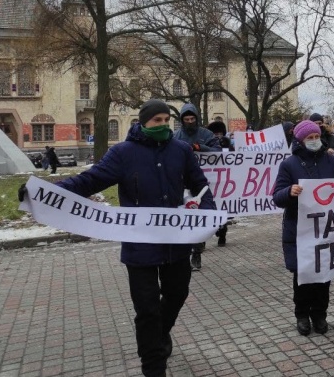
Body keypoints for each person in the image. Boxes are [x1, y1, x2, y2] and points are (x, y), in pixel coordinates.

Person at [43, 99, 216, 377]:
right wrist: (49, 191)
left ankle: (160, 334)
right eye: (156, 120)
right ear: (143, 122)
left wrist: (209, 213)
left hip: (176, 243)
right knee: (147, 309)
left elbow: (200, 186)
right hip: (140, 247)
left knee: (177, 293)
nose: (162, 125)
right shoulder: (123, 153)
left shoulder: (181, 150)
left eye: (165, 120)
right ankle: (153, 366)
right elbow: (90, 180)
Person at [273, 120, 334, 336]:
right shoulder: (289, 164)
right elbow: (277, 196)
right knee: (302, 276)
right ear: (300, 141)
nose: (314, 141)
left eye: (316, 137)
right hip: (300, 228)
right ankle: (302, 315)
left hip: (325, 227)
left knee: (324, 274)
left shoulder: (330, 161)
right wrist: (289, 192)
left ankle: (320, 314)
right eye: (309, 138)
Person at [174, 103, 221, 271]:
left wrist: (201, 148)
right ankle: (187, 251)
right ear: (182, 120)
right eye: (186, 119)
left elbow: (218, 152)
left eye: (192, 118)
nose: (189, 121)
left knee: (202, 217)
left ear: (196, 118)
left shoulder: (206, 134)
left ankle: (197, 251)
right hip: (182, 183)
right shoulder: (176, 136)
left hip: (203, 184)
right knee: (187, 218)